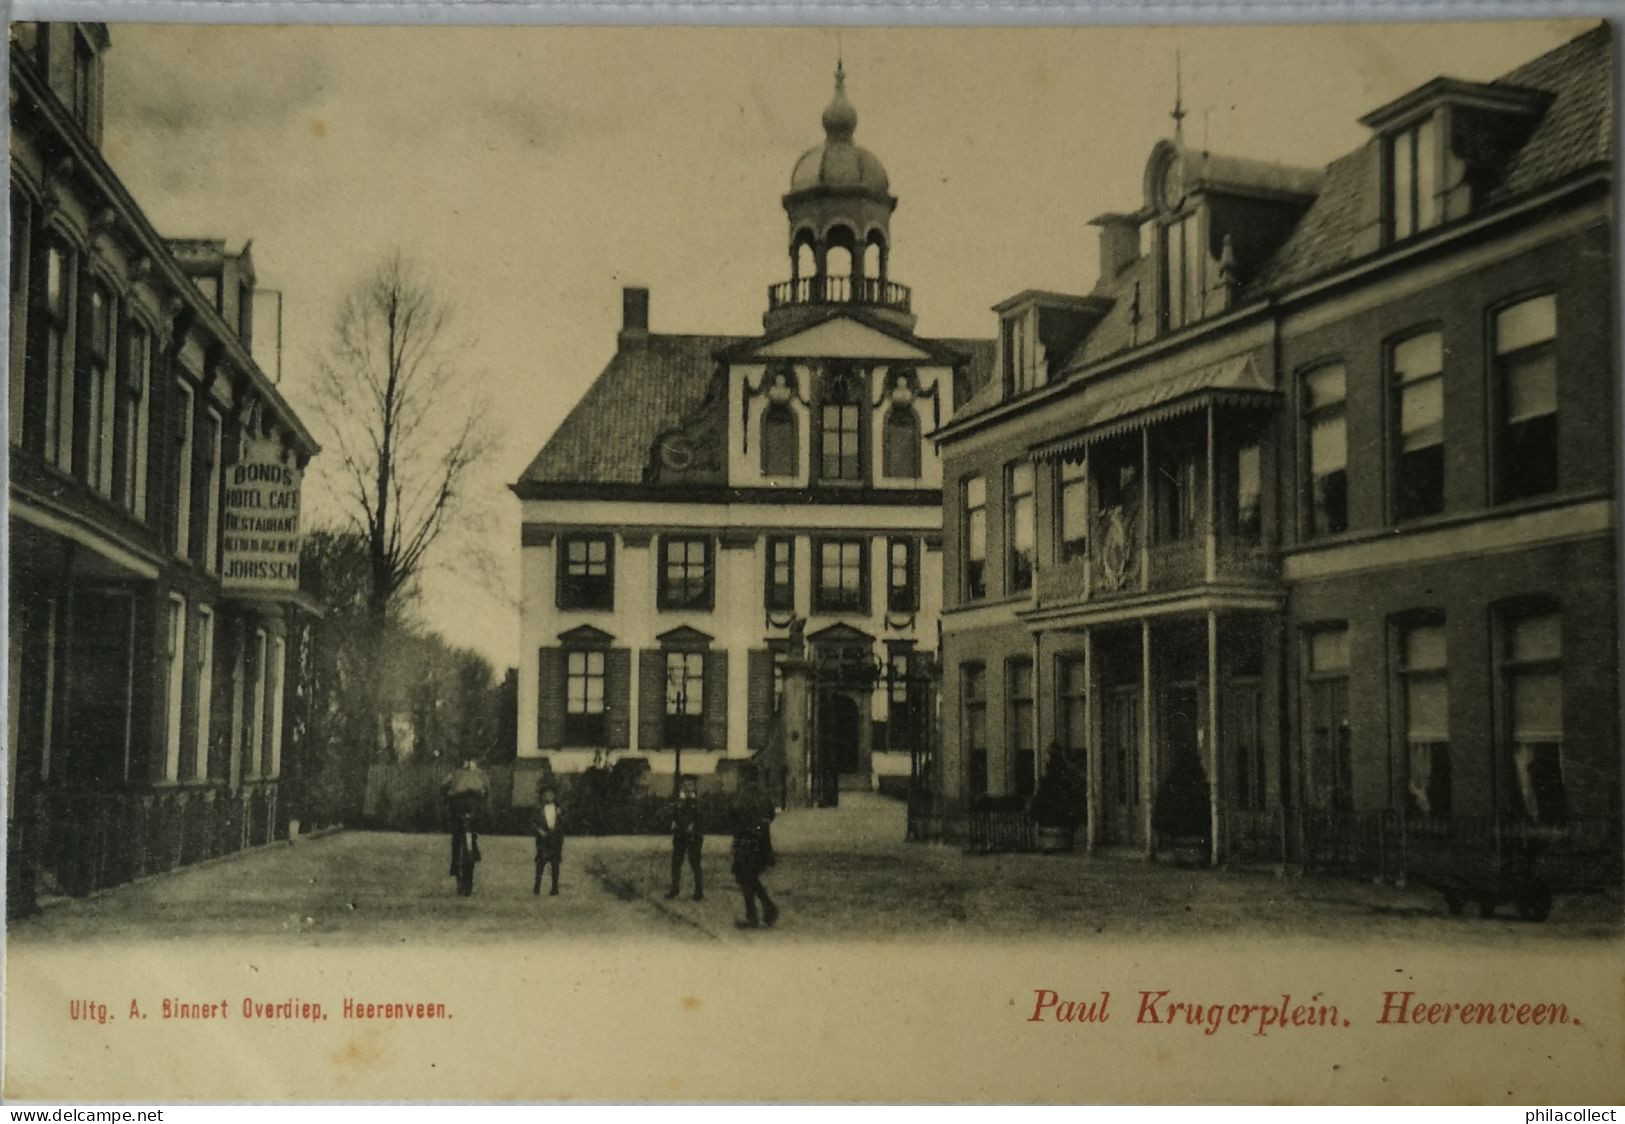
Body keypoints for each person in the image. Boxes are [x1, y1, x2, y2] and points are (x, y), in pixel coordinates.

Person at [730, 775, 779, 929]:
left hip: (746, 842)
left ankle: (757, 914)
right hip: (761, 842)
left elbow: (735, 816)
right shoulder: (763, 794)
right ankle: (765, 910)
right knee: (750, 879)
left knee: (746, 879)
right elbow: (771, 815)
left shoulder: (743, 795)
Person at [442, 756, 490, 880]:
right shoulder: (477, 773)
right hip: (470, 806)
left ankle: (456, 862)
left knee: (458, 834)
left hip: (462, 805)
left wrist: (447, 795)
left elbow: (444, 786)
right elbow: (486, 790)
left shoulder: (457, 773)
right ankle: (466, 852)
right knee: (463, 832)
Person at [665, 775, 704, 901]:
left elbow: (702, 817)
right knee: (676, 862)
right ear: (682, 786)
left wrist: (694, 825)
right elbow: (673, 813)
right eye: (686, 785)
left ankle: (698, 892)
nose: (688, 788)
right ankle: (674, 889)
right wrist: (673, 821)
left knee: (695, 863)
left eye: (691, 785)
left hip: (694, 836)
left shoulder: (698, 801)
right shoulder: (678, 800)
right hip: (680, 834)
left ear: (694, 787)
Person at [533, 786, 564, 896]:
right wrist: (539, 831)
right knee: (540, 863)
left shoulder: (559, 809)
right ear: (542, 797)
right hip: (543, 840)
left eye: (550, 795)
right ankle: (537, 887)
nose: (548, 797)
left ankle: (555, 888)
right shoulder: (539, 809)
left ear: (554, 796)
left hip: (555, 839)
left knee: (555, 864)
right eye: (545, 795)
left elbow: (564, 824)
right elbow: (534, 823)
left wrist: (561, 815)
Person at [454, 812, 481, 897]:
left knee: (469, 871)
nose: (465, 825)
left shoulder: (471, 834)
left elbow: (473, 845)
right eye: (464, 823)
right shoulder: (459, 835)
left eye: (467, 823)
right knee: (461, 871)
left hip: (468, 855)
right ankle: (462, 888)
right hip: (463, 855)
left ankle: (467, 889)